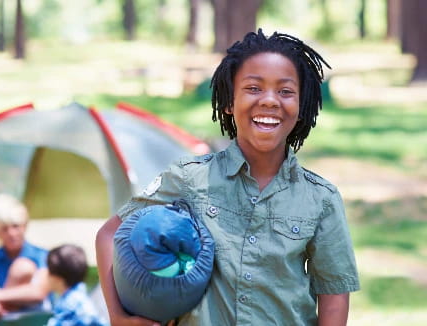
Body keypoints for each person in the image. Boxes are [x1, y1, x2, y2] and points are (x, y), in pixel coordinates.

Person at [95, 29, 360, 326]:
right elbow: (110, 234)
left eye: (285, 91)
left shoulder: (321, 198)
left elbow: (334, 292)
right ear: (229, 102)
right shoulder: (188, 178)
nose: (270, 101)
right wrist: (118, 316)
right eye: (253, 88)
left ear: (301, 108)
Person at [46, 244, 108, 326]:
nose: (46, 274)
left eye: (49, 271)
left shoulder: (69, 303)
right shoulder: (79, 296)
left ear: (58, 279)